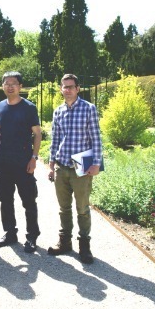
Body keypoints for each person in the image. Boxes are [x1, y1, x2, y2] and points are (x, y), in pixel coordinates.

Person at [47, 74, 103, 264]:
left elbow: (96, 138)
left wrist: (96, 163)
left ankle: (84, 246)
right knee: (64, 208)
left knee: (82, 208)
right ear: (61, 89)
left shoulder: (88, 109)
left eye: (71, 86)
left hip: (82, 164)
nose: (68, 90)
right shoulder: (58, 111)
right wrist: (51, 164)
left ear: (78, 88)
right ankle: (65, 242)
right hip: (62, 165)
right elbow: (55, 139)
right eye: (65, 87)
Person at [0, 71, 42, 253]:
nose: (10, 86)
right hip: (4, 164)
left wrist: (34, 158)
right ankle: (10, 233)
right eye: (6, 83)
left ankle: (32, 236)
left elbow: (37, 134)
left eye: (14, 83)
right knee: (5, 200)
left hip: (23, 163)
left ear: (20, 86)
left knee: (29, 201)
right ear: (2, 86)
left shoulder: (29, 107)